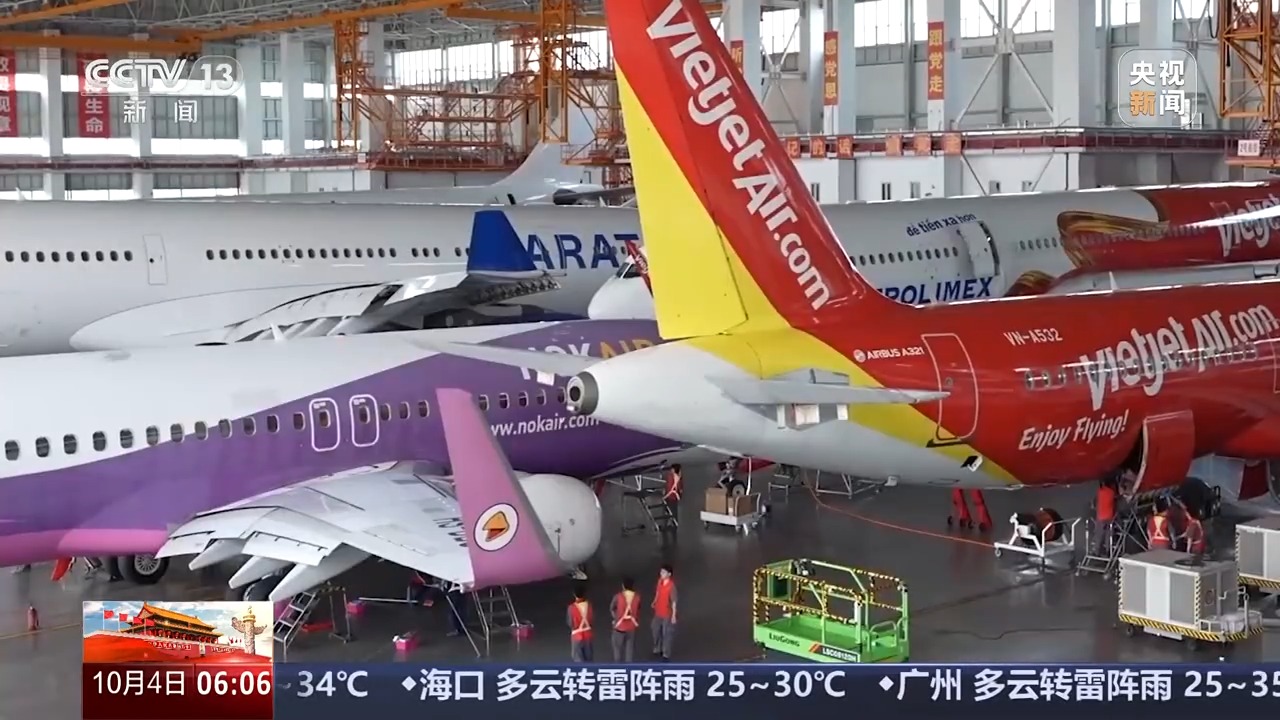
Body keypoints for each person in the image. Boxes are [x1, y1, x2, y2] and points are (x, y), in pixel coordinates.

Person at [610, 576, 641, 662]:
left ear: (623, 586)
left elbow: (612, 608)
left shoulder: (618, 596)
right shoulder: (637, 597)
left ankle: (618, 666)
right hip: (631, 627)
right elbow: (638, 609)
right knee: (629, 649)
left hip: (619, 627)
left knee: (617, 648)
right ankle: (628, 666)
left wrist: (615, 618)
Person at [651, 564, 677, 662]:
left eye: (663, 572)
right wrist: (654, 601)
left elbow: (674, 602)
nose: (661, 574)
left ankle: (666, 653)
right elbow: (657, 593)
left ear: (669, 574)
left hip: (667, 614)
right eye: (661, 572)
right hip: (658, 611)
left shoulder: (671, 587)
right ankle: (657, 648)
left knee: (666, 633)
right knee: (655, 629)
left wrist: (673, 615)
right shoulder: (660, 582)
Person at [1091, 478, 1119, 557]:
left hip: (1101, 516)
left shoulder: (1100, 492)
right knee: (1108, 534)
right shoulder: (1112, 493)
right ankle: (1108, 550)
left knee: (1099, 534)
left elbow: (1094, 503)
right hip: (1109, 516)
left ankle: (1097, 551)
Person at [567, 584, 593, 662]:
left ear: (574, 594)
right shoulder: (589, 605)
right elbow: (591, 619)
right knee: (589, 657)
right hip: (588, 634)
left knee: (577, 657)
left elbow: (570, 623)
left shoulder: (571, 607)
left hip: (577, 635)